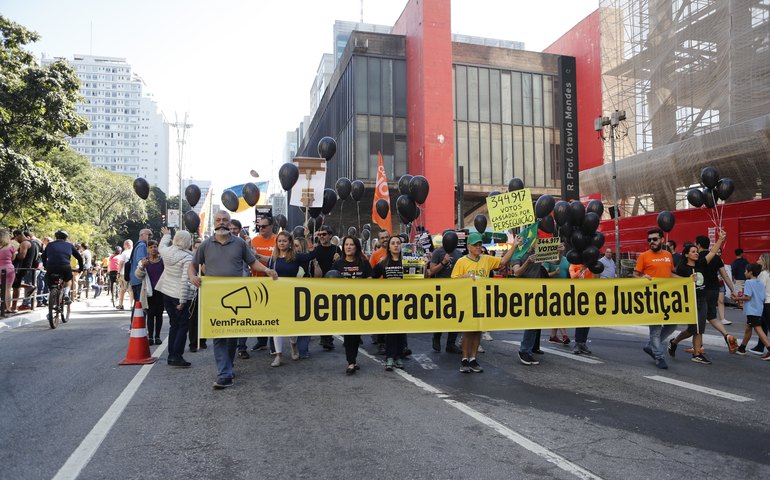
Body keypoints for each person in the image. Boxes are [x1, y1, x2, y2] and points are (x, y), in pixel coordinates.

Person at [189, 210, 277, 389]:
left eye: (225, 220)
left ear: (230, 223)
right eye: (218, 220)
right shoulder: (206, 244)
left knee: (231, 337)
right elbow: (192, 265)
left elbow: (252, 262)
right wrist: (192, 277)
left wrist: (266, 270)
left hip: (237, 297)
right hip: (214, 299)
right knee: (219, 336)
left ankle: (227, 367)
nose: (222, 223)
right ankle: (224, 374)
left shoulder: (239, 243)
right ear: (214, 222)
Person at [453, 232, 519, 372]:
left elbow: (502, 262)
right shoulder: (462, 261)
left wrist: (514, 246)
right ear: (469, 246)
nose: (478, 247)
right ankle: (464, 359)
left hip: (482, 301)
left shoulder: (486, 259)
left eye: (480, 245)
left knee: (477, 331)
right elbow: (453, 281)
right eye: (475, 245)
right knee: (468, 331)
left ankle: (474, 359)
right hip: (467, 301)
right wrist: (465, 276)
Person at [256, 230, 316, 366]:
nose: (281, 243)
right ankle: (278, 355)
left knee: (291, 325)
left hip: (292, 295)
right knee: (276, 325)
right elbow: (267, 275)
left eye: (284, 241)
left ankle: (293, 344)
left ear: (290, 243)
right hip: (276, 296)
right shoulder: (273, 259)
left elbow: (313, 255)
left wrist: (307, 238)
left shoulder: (296, 257)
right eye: (279, 241)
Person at [667, 239, 722, 365]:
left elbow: (713, 252)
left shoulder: (701, 264)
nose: (697, 253)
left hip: (703, 299)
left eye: (697, 251)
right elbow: (672, 278)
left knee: (697, 329)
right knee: (695, 329)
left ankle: (676, 343)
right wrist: (687, 280)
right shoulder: (682, 268)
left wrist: (720, 239)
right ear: (687, 255)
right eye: (693, 252)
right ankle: (696, 354)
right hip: (690, 301)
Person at [634, 228, 678, 369]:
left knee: (672, 325)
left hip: (668, 297)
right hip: (651, 298)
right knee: (655, 330)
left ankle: (650, 346)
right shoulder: (643, 256)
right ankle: (659, 357)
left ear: (662, 239)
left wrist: (688, 280)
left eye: (654, 239)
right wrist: (642, 277)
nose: (651, 242)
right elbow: (635, 275)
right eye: (649, 240)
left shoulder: (668, 255)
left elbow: (671, 274)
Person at [331, 235, 372, 375]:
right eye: (346, 244)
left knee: (356, 335)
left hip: (361, 304)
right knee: (349, 335)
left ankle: (353, 359)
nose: (348, 247)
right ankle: (351, 362)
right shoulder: (338, 264)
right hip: (344, 305)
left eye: (351, 244)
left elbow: (371, 280)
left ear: (356, 247)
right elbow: (331, 282)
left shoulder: (364, 263)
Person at [155, 227, 194, 367]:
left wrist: (166, 235)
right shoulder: (188, 257)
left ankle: (172, 354)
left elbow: (161, 246)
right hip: (179, 294)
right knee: (183, 326)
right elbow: (185, 281)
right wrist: (183, 301)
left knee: (173, 325)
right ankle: (176, 355)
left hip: (166, 291)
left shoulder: (167, 252)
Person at [693, 237, 739, 352]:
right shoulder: (717, 258)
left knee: (700, 318)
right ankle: (727, 335)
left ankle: (699, 346)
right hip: (715, 289)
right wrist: (733, 290)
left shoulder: (697, 258)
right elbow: (725, 275)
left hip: (702, 290)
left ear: (698, 245)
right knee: (712, 316)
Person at [372, 235, 408, 370]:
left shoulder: (407, 262)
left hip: (404, 302)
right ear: (389, 247)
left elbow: (421, 276)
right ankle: (390, 357)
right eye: (393, 243)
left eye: (398, 243)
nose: (396, 245)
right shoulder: (383, 262)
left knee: (400, 332)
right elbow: (372, 275)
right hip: (388, 302)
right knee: (390, 332)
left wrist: (424, 264)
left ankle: (398, 357)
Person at [428, 235, 463, 354]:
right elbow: (432, 271)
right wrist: (443, 262)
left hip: (456, 289)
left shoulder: (459, 254)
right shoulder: (438, 252)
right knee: (441, 315)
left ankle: (451, 344)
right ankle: (436, 337)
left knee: (455, 316)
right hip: (441, 289)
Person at [249, 216, 277, 354]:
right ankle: (261, 341)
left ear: (271, 226)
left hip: (273, 281)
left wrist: (258, 255)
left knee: (272, 314)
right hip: (257, 280)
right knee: (259, 314)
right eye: (259, 226)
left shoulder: (278, 239)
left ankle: (274, 345)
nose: (260, 229)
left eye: (264, 226)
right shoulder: (255, 240)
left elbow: (279, 258)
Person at [732, 263, 770, 360]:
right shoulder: (760, 283)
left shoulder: (749, 283)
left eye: (746, 271)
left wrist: (737, 298)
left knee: (758, 329)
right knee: (748, 328)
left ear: (750, 272)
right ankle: (742, 348)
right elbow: (763, 297)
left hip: (752, 310)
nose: (744, 273)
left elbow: (748, 297)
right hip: (758, 309)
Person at [312, 225, 341, 351]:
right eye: (319, 235)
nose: (321, 237)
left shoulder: (336, 250)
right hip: (319, 284)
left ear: (330, 235)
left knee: (332, 312)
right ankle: (326, 338)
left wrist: (339, 259)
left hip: (333, 284)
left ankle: (327, 338)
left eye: (324, 234)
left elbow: (343, 264)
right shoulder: (316, 249)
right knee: (322, 312)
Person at [41, 231, 83, 310]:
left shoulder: (50, 245)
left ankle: (52, 293)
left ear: (56, 237)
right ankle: (66, 293)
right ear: (66, 238)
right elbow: (79, 258)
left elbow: (43, 256)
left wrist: (45, 266)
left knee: (49, 279)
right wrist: (81, 268)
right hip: (65, 266)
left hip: (51, 267)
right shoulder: (69, 245)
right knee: (68, 279)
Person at [135, 239, 165, 346]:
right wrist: (142, 266)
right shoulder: (144, 261)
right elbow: (138, 275)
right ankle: (150, 337)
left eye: (155, 246)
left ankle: (157, 336)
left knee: (159, 314)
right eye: (151, 247)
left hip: (161, 291)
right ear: (147, 249)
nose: (153, 249)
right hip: (149, 291)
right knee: (150, 314)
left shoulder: (163, 261)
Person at [544, 242, 571, 345]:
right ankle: (564, 335)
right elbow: (544, 274)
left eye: (563, 246)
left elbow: (569, 274)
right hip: (551, 291)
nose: (561, 247)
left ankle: (553, 336)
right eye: (559, 246)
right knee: (557, 313)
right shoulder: (549, 259)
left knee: (559, 313)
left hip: (563, 291)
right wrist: (554, 273)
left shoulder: (566, 260)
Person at [569, 263, 594, 355]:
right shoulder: (574, 264)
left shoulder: (591, 265)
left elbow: (596, 278)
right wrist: (582, 269)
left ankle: (583, 343)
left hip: (589, 294)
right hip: (578, 295)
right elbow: (572, 276)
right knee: (580, 320)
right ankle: (577, 343)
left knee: (587, 321)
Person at [749, 253, 770, 354]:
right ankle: (760, 346)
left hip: (766, 302)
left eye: (759, 259)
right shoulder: (768, 273)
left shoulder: (762, 274)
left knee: (764, 325)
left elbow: (760, 290)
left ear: (764, 262)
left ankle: (761, 347)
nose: (757, 261)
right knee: (764, 325)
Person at [188, 238, 205, 352]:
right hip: (191, 292)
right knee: (193, 318)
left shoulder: (205, 260)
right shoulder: (189, 260)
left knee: (203, 316)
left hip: (204, 291)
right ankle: (193, 343)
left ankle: (202, 340)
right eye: (195, 248)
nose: (197, 250)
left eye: (200, 248)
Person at [0, 229, 17, 313]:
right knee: (8, 289)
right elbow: (13, 258)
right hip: (9, 269)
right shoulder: (11, 247)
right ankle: (8, 308)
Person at [116, 239, 133, 310]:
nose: (123, 246)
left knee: (122, 289)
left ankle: (121, 304)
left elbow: (121, 263)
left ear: (127, 245)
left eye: (124, 244)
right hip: (132, 273)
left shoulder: (124, 253)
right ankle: (132, 305)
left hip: (124, 273)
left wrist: (118, 272)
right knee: (131, 290)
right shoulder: (134, 252)